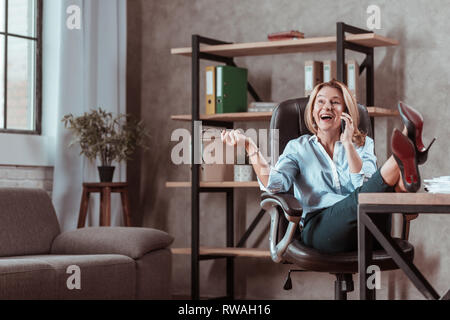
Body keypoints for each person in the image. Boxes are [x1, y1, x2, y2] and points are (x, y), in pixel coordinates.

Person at [221, 80, 434, 254]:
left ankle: (405, 166)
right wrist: (250, 146)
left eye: (335, 102)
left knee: (374, 195)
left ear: (346, 111)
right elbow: (273, 184)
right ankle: (407, 156)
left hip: (368, 225)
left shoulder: (363, 144)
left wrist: (349, 144)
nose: (327, 107)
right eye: (320, 102)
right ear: (313, 112)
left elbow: (366, 186)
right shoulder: (298, 148)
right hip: (322, 230)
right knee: (380, 191)